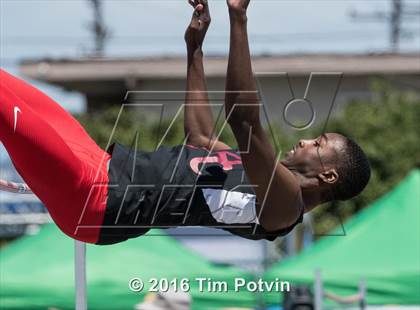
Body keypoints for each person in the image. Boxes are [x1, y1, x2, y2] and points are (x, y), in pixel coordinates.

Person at [0, 0, 370, 245]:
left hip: (96, 200)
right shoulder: (252, 171)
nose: (305, 141)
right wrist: (195, 48)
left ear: (328, 176)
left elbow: (244, 121)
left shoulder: (285, 206)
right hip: (100, 164)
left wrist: (238, 18)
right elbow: (202, 137)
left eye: (318, 144)